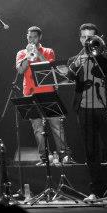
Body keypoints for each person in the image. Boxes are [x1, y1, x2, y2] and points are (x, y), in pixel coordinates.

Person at [67, 24, 107, 202]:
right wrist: (77, 63)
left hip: (104, 108)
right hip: (84, 109)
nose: (86, 41)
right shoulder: (76, 59)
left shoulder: (106, 57)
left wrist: (100, 54)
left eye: (90, 37)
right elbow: (69, 76)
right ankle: (96, 191)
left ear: (97, 39)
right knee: (91, 151)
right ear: (80, 39)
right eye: (83, 37)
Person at [15, 26, 68, 165]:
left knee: (57, 126)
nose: (31, 39)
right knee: (38, 129)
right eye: (29, 37)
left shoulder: (48, 51)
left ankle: (64, 156)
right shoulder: (21, 53)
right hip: (30, 93)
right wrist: (28, 55)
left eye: (34, 37)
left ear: (39, 38)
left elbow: (50, 67)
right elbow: (20, 71)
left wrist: (38, 53)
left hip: (48, 92)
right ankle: (44, 158)